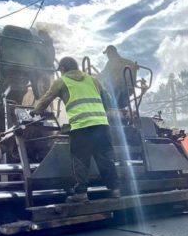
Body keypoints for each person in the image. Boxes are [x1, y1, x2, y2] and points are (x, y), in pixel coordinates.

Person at [32, 56, 120, 203]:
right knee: (105, 158)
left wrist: (35, 111)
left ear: (63, 69)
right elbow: (108, 96)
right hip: (101, 124)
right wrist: (106, 111)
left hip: (81, 126)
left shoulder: (62, 81)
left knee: (80, 160)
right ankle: (115, 190)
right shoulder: (93, 79)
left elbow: (47, 98)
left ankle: (81, 193)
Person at [98, 45, 138, 109]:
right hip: (129, 90)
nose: (107, 56)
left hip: (115, 90)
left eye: (108, 53)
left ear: (111, 53)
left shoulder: (112, 61)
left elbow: (103, 75)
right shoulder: (130, 62)